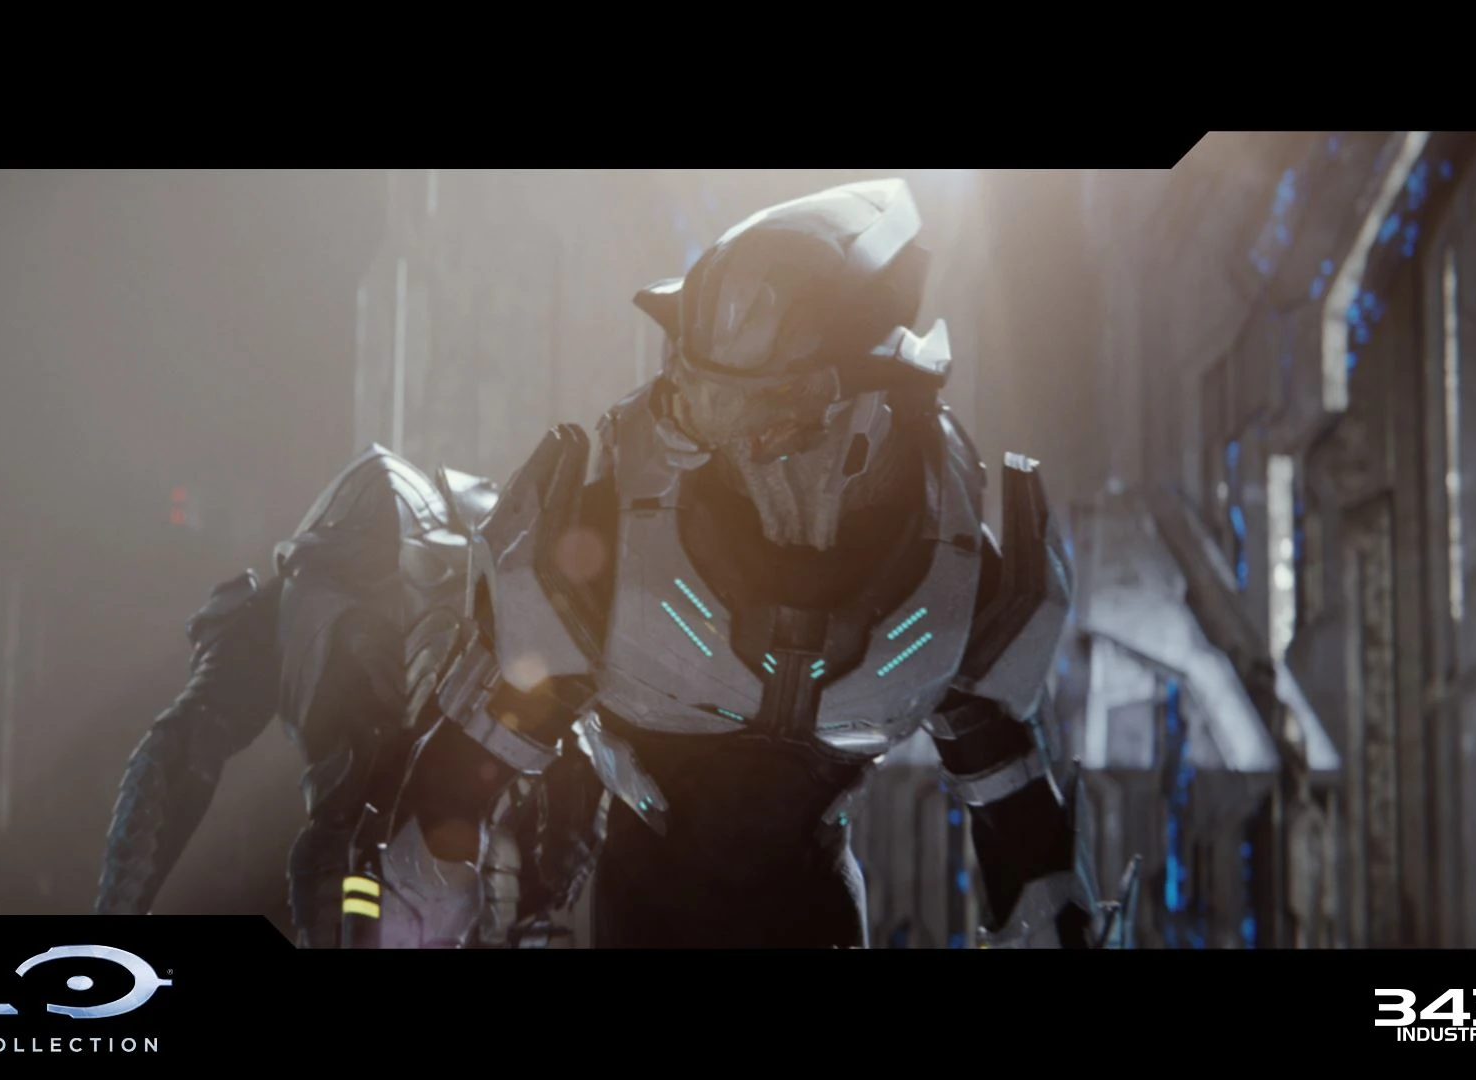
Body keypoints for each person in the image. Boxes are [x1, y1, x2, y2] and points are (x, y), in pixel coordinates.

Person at [344, 178, 1135, 948]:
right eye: (703, 398)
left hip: (816, 915)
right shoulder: (606, 535)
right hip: (644, 910)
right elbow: (440, 824)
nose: (724, 437)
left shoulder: (955, 572)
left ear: (864, 406)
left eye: (761, 407)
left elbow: (1031, 858)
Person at [93, 448, 599, 946]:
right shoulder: (304, 595)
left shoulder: (305, 590)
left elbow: (177, 750)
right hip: (403, 876)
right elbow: (180, 751)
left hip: (447, 874)